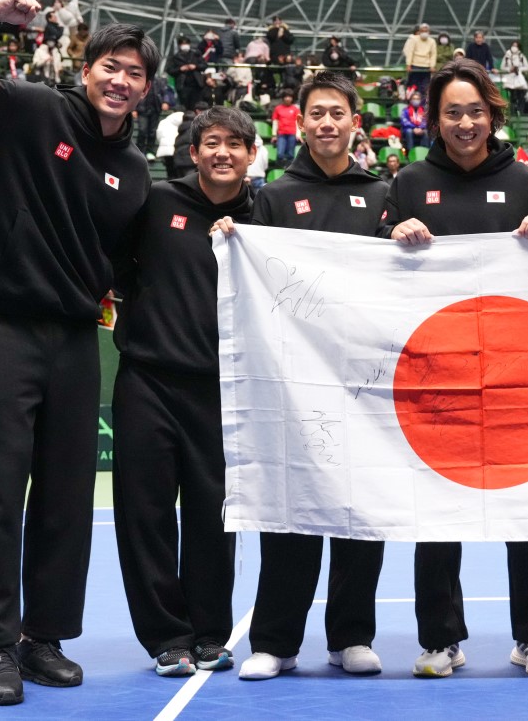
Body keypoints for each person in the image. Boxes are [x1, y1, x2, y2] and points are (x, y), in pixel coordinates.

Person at [0, 0, 156, 705]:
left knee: (65, 495)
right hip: (0, 327)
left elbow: (133, 266)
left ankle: (43, 637)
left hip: (78, 339)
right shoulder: (26, 108)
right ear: (87, 70)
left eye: (135, 73)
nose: (120, 81)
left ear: (146, 88)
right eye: (110, 66)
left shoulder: (136, 171)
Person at [378, 58, 528, 678]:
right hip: (438, 380)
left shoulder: (523, 182)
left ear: (493, 115)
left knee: (527, 513)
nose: (464, 122)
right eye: (452, 111)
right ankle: (440, 640)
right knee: (437, 516)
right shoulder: (406, 182)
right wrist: (392, 231)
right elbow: (372, 269)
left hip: (515, 379)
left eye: (475, 111)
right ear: (436, 118)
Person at [219, 73, 390, 681]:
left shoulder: (381, 194)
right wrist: (230, 240)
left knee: (362, 511)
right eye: (315, 112)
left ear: (353, 123)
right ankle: (275, 641)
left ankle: (351, 637)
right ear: (300, 123)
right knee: (289, 507)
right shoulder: (271, 196)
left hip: (366, 384)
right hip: (292, 381)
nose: (325, 122)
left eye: (336, 113)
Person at [109, 107, 255, 679]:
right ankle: (166, 637)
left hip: (223, 391)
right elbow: (119, 266)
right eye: (211, 143)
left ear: (251, 155)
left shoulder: (262, 216)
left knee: (213, 517)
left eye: (234, 144)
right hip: (147, 381)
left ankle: (211, 634)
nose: (222, 153)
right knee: (144, 513)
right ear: (192, 154)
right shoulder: (159, 201)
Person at [500, 41, 528, 115]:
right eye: (513, 45)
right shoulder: (507, 55)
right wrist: (509, 69)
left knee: (521, 95)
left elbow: (527, 67)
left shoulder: (521, 56)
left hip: (519, 79)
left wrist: (519, 69)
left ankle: (520, 111)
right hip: (509, 79)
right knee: (511, 97)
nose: (514, 47)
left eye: (516, 46)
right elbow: (502, 67)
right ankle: (512, 112)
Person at [270, 89, 301, 162]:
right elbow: (275, 122)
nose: (288, 99)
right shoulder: (278, 108)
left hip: (292, 134)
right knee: (280, 154)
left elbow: (298, 122)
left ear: (292, 98)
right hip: (281, 134)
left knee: (291, 155)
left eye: (290, 97)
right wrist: (274, 135)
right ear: (283, 98)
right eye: (286, 97)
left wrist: (298, 135)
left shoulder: (295, 109)